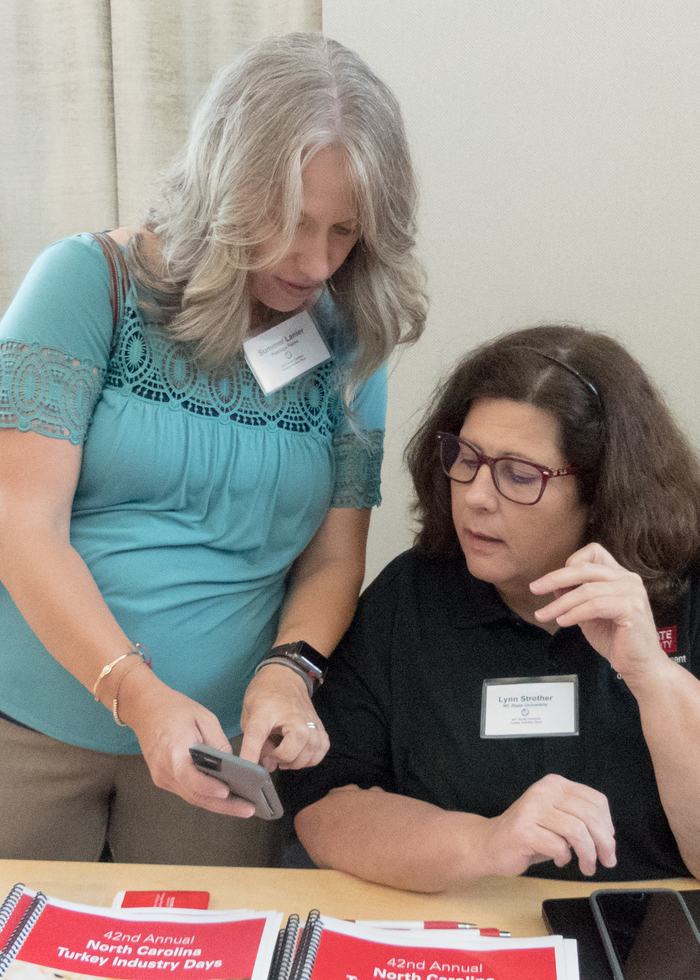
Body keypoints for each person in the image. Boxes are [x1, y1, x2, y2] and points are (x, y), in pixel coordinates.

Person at [0, 32, 426, 865]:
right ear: (223, 188)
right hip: (30, 729)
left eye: (344, 231)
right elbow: (21, 524)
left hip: (220, 747)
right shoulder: (89, 284)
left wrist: (290, 671)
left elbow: (333, 559)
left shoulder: (348, 339)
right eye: (290, 222)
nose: (315, 262)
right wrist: (138, 694)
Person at [279, 323, 700, 891]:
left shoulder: (682, 590)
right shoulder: (414, 594)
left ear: (602, 490)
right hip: (461, 927)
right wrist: (485, 841)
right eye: (466, 458)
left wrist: (652, 676)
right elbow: (326, 809)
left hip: (646, 930)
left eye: (519, 475)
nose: (476, 496)